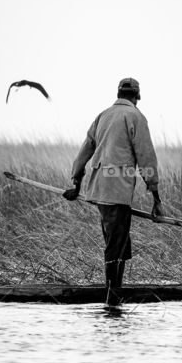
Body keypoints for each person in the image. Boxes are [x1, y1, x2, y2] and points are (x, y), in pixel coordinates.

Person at [63, 77, 162, 299]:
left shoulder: (102, 116)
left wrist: (76, 184)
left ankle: (115, 289)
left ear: (118, 94)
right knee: (116, 242)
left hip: (99, 189)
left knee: (119, 239)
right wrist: (156, 197)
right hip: (117, 190)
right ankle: (112, 294)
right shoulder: (136, 116)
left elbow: (83, 153)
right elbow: (146, 157)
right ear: (137, 96)